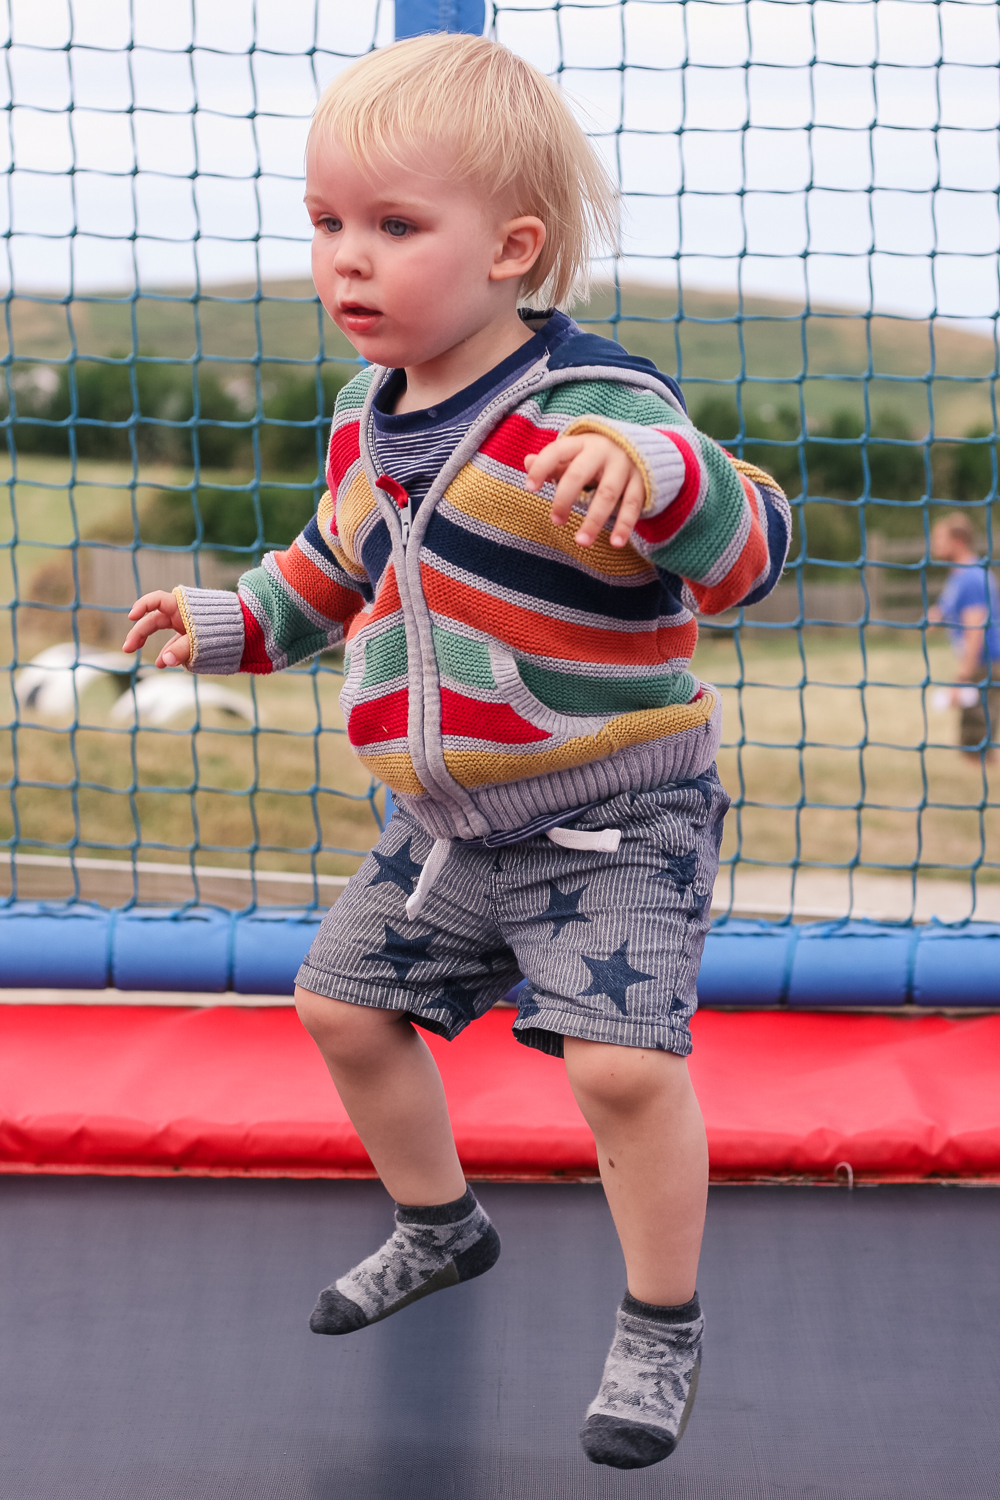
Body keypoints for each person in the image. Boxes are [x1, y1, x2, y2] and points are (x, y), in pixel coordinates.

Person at [123, 34, 789, 1471]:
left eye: (393, 227)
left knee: (617, 1071)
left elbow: (749, 549)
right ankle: (443, 1227)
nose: (346, 261)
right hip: (444, 833)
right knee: (343, 1007)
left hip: (615, 820)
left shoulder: (594, 406)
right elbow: (328, 568)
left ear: (512, 250)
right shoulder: (368, 426)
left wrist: (666, 483)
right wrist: (232, 622)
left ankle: (661, 1327)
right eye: (326, 224)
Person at [929, 512, 999, 767]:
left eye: (939, 538)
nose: (934, 544)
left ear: (957, 541)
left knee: (976, 733)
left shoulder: (971, 577)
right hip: (980, 662)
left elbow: (975, 629)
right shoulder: (959, 575)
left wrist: (963, 676)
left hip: (985, 661)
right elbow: (948, 607)